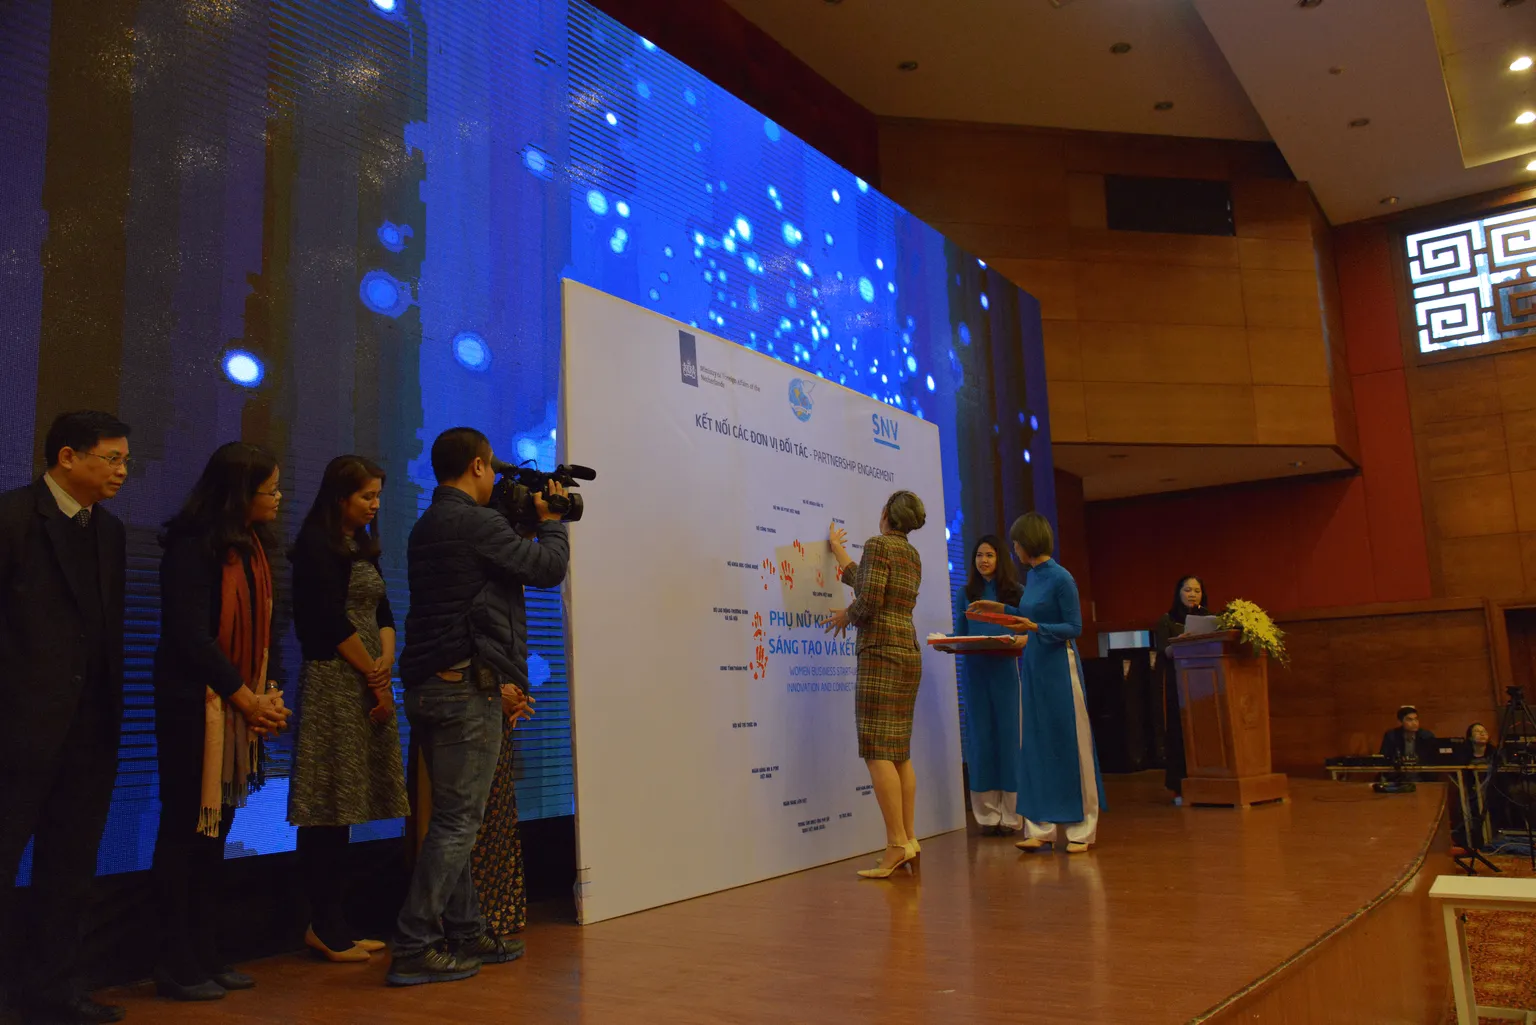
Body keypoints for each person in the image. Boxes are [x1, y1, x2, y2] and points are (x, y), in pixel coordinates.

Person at [387, 428, 568, 988]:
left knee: (451, 818)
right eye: (491, 469)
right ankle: (415, 943)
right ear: (477, 466)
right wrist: (553, 519)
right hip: (466, 688)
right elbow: (546, 570)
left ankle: (465, 930)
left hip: (428, 685)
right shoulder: (476, 523)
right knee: (459, 821)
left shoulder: (427, 524)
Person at [0, 411, 132, 1025]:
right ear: (67, 459)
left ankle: (54, 992)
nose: (122, 471)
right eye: (111, 459)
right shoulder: (13, 518)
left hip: (88, 732)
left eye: (125, 459)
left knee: (70, 871)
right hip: (18, 730)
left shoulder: (111, 533)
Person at [151, 442, 290, 1002]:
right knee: (186, 832)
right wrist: (243, 697)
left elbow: (268, 633)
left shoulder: (256, 548)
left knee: (218, 835)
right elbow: (189, 636)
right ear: (239, 494)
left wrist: (269, 694)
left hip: (237, 708)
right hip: (194, 707)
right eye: (270, 490)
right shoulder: (191, 545)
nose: (279, 498)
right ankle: (174, 961)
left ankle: (207, 952)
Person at [287, 455, 409, 963]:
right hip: (334, 683)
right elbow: (326, 620)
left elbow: (381, 610)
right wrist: (370, 671)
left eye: (378, 496)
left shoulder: (362, 543)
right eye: (367, 496)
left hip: (366, 679)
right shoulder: (315, 544)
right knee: (329, 805)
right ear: (340, 496)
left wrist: (385, 660)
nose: (375, 505)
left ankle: (339, 921)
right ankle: (323, 924)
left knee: (351, 806)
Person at [969, 512, 1105, 854]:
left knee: (1068, 744)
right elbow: (1029, 613)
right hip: (1032, 667)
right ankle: (1039, 828)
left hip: (1059, 668)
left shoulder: (1062, 579)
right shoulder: (1033, 577)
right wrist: (997, 607)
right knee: (1034, 744)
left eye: (1015, 542)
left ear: (1027, 543)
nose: (1013, 548)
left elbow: (1074, 628)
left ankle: (1081, 828)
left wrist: (1034, 629)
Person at [824, 490, 927, 879]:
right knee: (899, 749)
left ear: (885, 513)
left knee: (876, 748)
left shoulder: (877, 545)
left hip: (881, 651)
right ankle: (910, 839)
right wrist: (839, 552)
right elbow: (867, 579)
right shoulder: (910, 554)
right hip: (907, 650)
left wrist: (845, 616)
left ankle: (896, 845)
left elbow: (867, 600)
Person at [952, 535, 1026, 835]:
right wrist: (947, 643)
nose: (983, 560)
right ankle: (986, 816)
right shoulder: (966, 592)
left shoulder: (1015, 592)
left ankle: (1012, 815)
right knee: (980, 739)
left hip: (1005, 671)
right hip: (975, 672)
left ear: (1000, 559)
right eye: (979, 555)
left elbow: (1027, 632)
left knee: (1009, 739)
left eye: (990, 555)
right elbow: (959, 633)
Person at [1154, 575, 1207, 805]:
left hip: (1205, 684)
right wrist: (1181, 642)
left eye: (1197, 590)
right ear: (1179, 593)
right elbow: (1164, 651)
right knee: (1180, 733)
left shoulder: (1209, 619)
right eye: (1188, 590)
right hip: (1177, 684)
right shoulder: (1167, 620)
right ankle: (1179, 787)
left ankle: (1209, 782)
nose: (1193, 594)